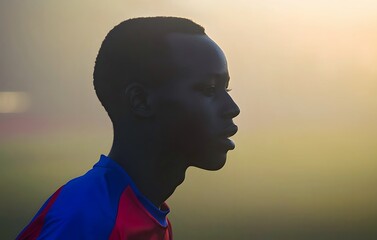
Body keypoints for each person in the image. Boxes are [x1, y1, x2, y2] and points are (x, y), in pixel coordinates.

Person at [17, 16, 240, 240]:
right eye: (210, 89)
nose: (233, 108)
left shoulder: (147, 213)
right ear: (141, 101)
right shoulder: (87, 222)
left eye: (226, 90)